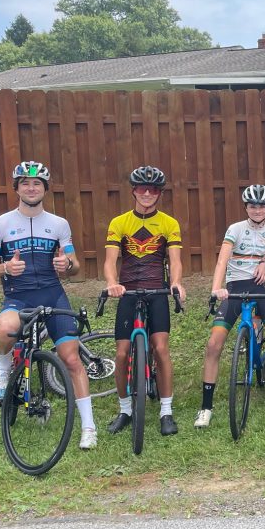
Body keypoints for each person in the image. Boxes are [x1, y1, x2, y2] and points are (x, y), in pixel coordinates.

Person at [0, 162, 96, 449]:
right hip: (19, 296)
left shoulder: (58, 224)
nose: (31, 188)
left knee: (71, 359)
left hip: (53, 295)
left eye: (37, 184)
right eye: (25, 183)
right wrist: (6, 267)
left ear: (45, 188)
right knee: (6, 329)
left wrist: (66, 264)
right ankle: (4, 368)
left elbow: (76, 265)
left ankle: (89, 427)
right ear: (16, 188)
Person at [195, 185, 265, 428]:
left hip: (260, 290)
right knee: (213, 344)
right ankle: (206, 407)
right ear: (246, 207)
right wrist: (216, 288)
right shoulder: (235, 229)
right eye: (252, 206)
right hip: (234, 288)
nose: (257, 210)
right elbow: (222, 260)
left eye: (262, 206)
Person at [104, 165, 186, 436]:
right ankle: (125, 409)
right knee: (121, 352)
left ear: (159, 193)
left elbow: (175, 260)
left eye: (153, 190)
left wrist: (175, 283)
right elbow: (110, 260)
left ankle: (166, 411)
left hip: (156, 290)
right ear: (133, 191)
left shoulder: (169, 223)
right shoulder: (119, 222)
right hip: (127, 290)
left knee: (161, 349)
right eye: (142, 189)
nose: (147, 193)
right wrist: (112, 284)